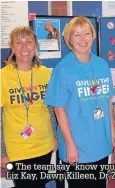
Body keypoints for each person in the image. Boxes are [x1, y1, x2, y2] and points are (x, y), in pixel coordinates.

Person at [43, 16, 115, 188]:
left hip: (101, 142)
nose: (83, 39)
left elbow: (107, 100)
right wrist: (70, 145)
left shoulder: (102, 65)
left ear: (93, 35)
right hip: (77, 146)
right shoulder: (63, 69)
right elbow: (59, 109)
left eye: (86, 33)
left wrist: (112, 131)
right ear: (69, 39)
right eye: (77, 35)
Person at [1, 26, 58, 187]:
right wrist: (2, 153)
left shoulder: (45, 73)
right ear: (12, 47)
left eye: (29, 42)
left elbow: (50, 110)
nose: (24, 47)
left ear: (35, 46)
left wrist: (54, 137)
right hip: (17, 149)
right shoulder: (3, 77)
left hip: (44, 146)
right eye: (19, 42)